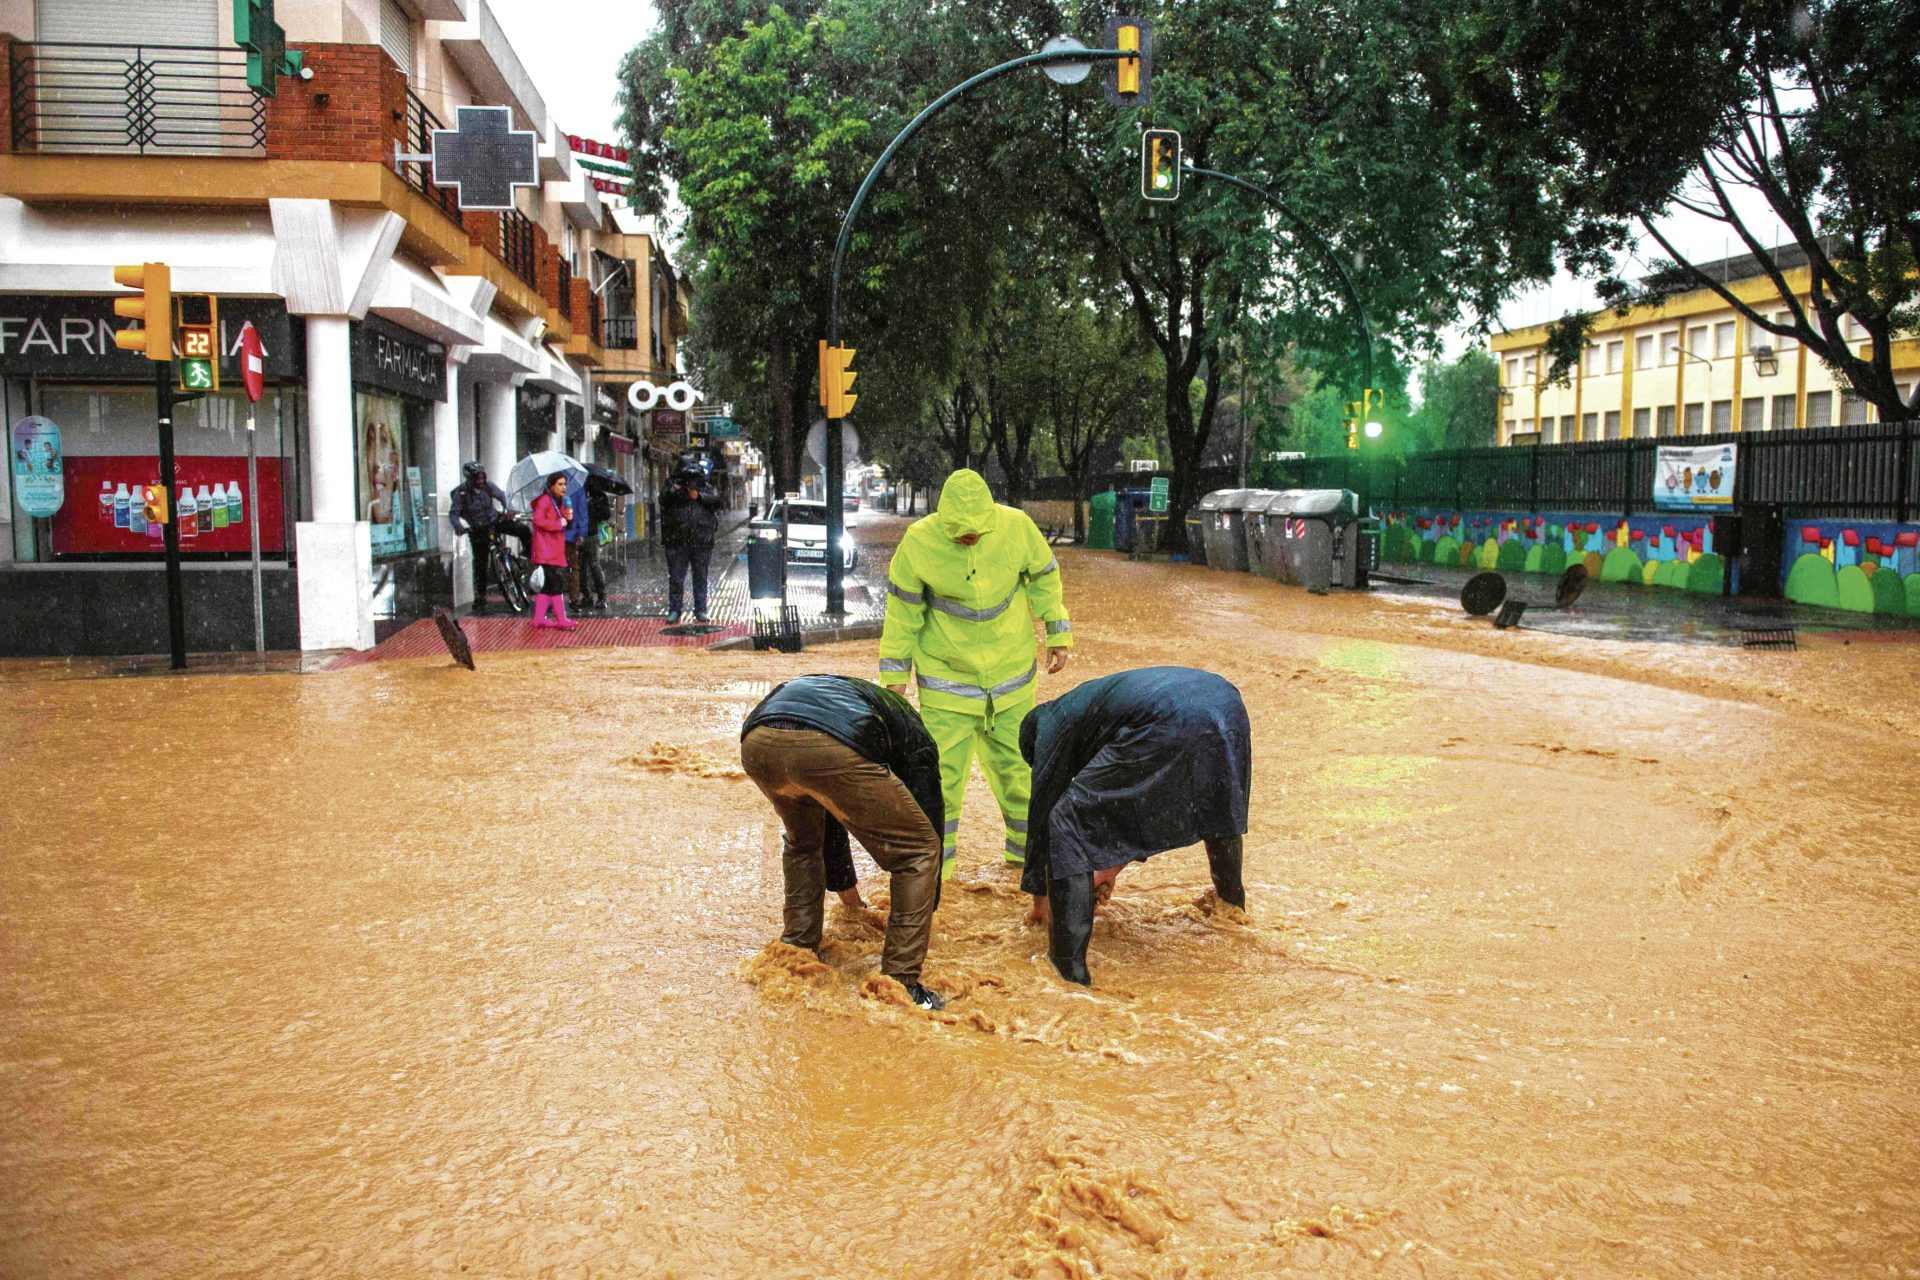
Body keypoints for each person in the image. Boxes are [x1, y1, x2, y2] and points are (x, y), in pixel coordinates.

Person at [876, 468, 1072, 880]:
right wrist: (894, 672)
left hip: (1012, 680)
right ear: (943, 520)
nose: (968, 537)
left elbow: (1045, 578)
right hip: (947, 686)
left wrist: (1058, 631)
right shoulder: (918, 543)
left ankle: (1026, 866)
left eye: (976, 531)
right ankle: (935, 876)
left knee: (1021, 776)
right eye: (959, 532)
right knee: (939, 782)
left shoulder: (1016, 528)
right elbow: (902, 613)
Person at [1017, 666, 1251, 986]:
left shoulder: (1049, 725)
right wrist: (1110, 868)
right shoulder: (1090, 710)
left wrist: (1041, 902)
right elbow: (1139, 799)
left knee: (1066, 820)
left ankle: (1066, 974)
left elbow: (1044, 813)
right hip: (1225, 704)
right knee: (1216, 803)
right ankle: (1231, 909)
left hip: (1172, 715)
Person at [740, 674, 947, 1011]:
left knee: (804, 842)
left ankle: (797, 948)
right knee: (918, 850)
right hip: (825, 745)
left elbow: (831, 814)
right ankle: (900, 985)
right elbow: (929, 815)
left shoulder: (862, 702)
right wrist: (930, 904)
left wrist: (851, 900)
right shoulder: (916, 738)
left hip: (758, 742)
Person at [660, 459, 721, 622]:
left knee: (700, 577)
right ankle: (674, 609)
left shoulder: (706, 487)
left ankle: (700, 609)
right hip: (677, 542)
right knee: (676, 578)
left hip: (701, 542)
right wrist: (681, 492)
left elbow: (717, 501)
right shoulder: (673, 485)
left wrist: (698, 496)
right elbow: (664, 499)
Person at [447, 461, 507, 614]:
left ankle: (522, 556)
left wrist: (509, 508)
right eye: (478, 479)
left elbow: (502, 496)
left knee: (522, 530)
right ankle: (480, 596)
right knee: (480, 563)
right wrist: (458, 526)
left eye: (482, 478)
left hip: (494, 521)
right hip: (478, 528)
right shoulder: (462, 493)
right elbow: (453, 513)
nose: (481, 482)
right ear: (470, 479)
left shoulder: (488, 486)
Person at [528, 472, 577, 630]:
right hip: (545, 550)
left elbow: (565, 524)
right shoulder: (544, 500)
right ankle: (561, 619)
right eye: (560, 484)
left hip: (554, 549)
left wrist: (568, 519)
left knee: (548, 586)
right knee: (556, 584)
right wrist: (558, 523)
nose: (564, 487)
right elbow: (538, 520)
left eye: (565, 484)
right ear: (551, 486)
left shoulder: (560, 502)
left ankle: (538, 618)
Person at [579, 480, 613, 610]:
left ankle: (602, 596)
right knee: (581, 568)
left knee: (594, 565)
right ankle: (586, 596)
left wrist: (594, 507)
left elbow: (606, 515)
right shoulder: (579, 494)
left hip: (592, 535)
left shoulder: (599, 496)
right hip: (580, 535)